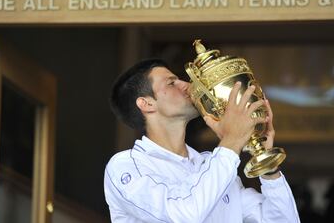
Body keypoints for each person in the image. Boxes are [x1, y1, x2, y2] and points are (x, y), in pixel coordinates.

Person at [104, 58, 300, 222]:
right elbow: (184, 214)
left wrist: (266, 164)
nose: (187, 86)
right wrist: (231, 141)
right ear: (146, 104)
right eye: (172, 83)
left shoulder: (211, 164)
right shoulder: (126, 166)